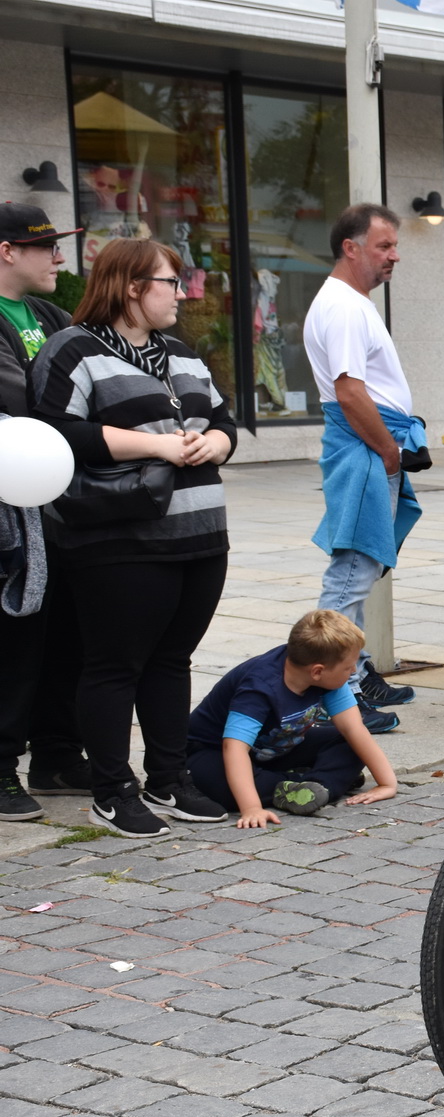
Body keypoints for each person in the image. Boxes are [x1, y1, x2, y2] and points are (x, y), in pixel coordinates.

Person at [31, 237, 236, 837]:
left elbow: (221, 419)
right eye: (171, 282)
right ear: (130, 287)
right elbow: (56, 432)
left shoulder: (181, 352)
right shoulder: (75, 350)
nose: (182, 292)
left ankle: (169, 779)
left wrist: (216, 442)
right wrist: (157, 444)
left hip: (201, 533)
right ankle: (112, 790)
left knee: (172, 659)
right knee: (114, 666)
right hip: (119, 539)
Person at [302, 204, 422, 728]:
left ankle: (355, 675)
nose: (394, 255)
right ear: (350, 248)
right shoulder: (345, 307)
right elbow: (351, 392)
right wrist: (388, 451)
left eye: (394, 245)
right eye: (384, 246)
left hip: (369, 443)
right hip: (366, 446)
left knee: (362, 567)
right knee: (351, 573)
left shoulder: (349, 302)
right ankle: (336, 696)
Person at [0, 204, 88, 817]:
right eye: (45, 247)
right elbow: (32, 397)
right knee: (15, 640)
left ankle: (57, 754)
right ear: (7, 250)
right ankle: (2, 767)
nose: (59, 258)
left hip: (59, 507)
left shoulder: (47, 314)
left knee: (67, 634)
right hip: (10, 517)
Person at [186, 610, 398, 828]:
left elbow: (354, 729)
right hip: (213, 751)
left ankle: (314, 786)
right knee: (215, 784)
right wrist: (251, 808)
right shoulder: (260, 686)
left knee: (350, 744)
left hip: (277, 748)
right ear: (317, 671)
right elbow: (234, 748)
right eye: (348, 667)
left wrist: (387, 784)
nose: (353, 671)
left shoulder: (328, 677)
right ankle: (292, 786)